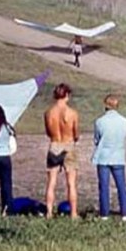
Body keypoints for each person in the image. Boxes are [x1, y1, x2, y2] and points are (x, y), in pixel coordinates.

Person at [93, 94, 126, 220]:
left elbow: (96, 139)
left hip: (103, 156)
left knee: (104, 186)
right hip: (118, 156)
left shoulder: (99, 121)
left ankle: (104, 213)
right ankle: (125, 213)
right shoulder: (124, 121)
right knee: (121, 186)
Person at [44, 83, 79, 219]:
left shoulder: (48, 113)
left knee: (51, 182)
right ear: (67, 95)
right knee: (71, 183)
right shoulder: (72, 113)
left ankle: (49, 212)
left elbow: (48, 132)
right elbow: (76, 134)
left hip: (54, 145)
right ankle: (73, 213)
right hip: (68, 145)